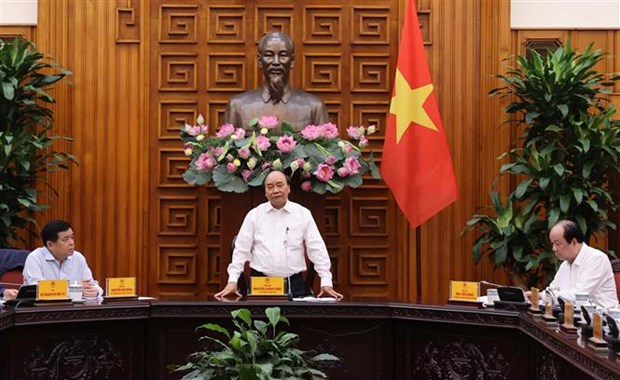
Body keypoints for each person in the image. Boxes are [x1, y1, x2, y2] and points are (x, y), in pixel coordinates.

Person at [215, 170, 343, 300]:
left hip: (294, 283)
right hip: (261, 284)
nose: (275, 190)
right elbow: (241, 250)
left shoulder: (303, 214)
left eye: (280, 185)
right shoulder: (254, 215)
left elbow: (317, 248)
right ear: (265, 192)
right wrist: (232, 281)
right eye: (270, 187)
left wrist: (326, 282)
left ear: (288, 188)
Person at [223, 31, 329, 130]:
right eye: (269, 55)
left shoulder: (314, 107)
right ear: (260, 61)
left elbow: (327, 148)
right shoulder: (237, 106)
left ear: (292, 61)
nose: (276, 62)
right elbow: (227, 147)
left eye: (283, 55)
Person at [545, 220, 618, 309]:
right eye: (552, 244)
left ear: (573, 242)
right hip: (572, 317)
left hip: (602, 319)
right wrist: (536, 296)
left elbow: (580, 296)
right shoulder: (565, 264)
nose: (554, 249)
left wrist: (550, 296)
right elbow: (552, 290)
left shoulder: (596, 259)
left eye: (557, 244)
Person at [22, 220, 103, 298]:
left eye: (72, 237)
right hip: (42, 309)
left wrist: (96, 291)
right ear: (50, 245)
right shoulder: (35, 258)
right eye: (66, 239)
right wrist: (73, 290)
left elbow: (91, 284)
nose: (71, 242)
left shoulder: (78, 258)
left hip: (73, 309)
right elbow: (39, 291)